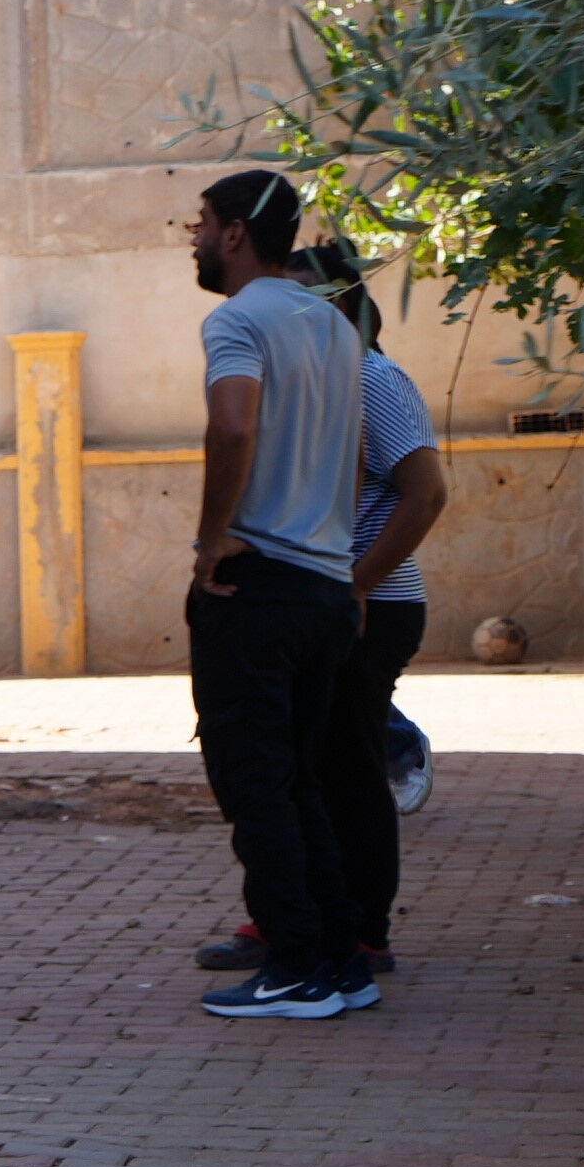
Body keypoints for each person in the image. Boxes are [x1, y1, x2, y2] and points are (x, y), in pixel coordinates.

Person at [196, 234, 445, 979]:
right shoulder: (311, 375)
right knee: (295, 765)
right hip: (320, 592)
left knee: (342, 767)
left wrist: (361, 584)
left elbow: (426, 492)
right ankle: (293, 916)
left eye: (305, 293)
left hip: (369, 599)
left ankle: (359, 928)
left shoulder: (371, 377)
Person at [183, 168, 375, 1021]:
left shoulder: (236, 318)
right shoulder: (335, 325)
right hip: (328, 584)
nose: (191, 239)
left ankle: (296, 966)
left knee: (255, 784)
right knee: (303, 782)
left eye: (197, 223)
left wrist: (211, 535)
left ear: (232, 232)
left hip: (258, 581)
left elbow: (233, 423)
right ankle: (339, 958)